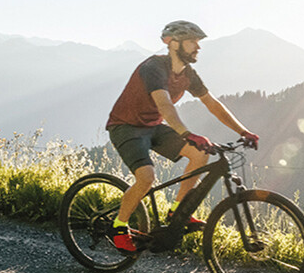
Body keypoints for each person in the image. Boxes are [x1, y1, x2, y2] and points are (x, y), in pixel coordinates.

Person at [104, 20, 258, 252]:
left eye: (198, 42)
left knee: (199, 154)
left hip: (153, 127)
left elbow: (212, 104)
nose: (198, 47)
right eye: (192, 42)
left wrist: (243, 131)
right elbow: (165, 106)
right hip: (126, 127)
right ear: (172, 43)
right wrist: (187, 134)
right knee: (146, 177)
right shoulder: (153, 68)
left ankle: (179, 212)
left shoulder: (188, 74)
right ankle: (118, 227)